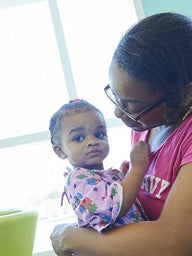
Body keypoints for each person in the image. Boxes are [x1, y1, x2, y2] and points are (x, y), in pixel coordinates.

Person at [50, 12, 192, 256]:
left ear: (185, 94)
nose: (118, 112)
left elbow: (174, 243)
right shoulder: (143, 130)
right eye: (115, 96)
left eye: (131, 105)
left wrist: (72, 236)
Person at [49, 99, 149, 233]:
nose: (92, 141)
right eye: (78, 138)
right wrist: (137, 168)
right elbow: (113, 209)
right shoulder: (77, 179)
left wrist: (124, 177)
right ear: (60, 151)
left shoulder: (101, 176)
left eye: (99, 134)